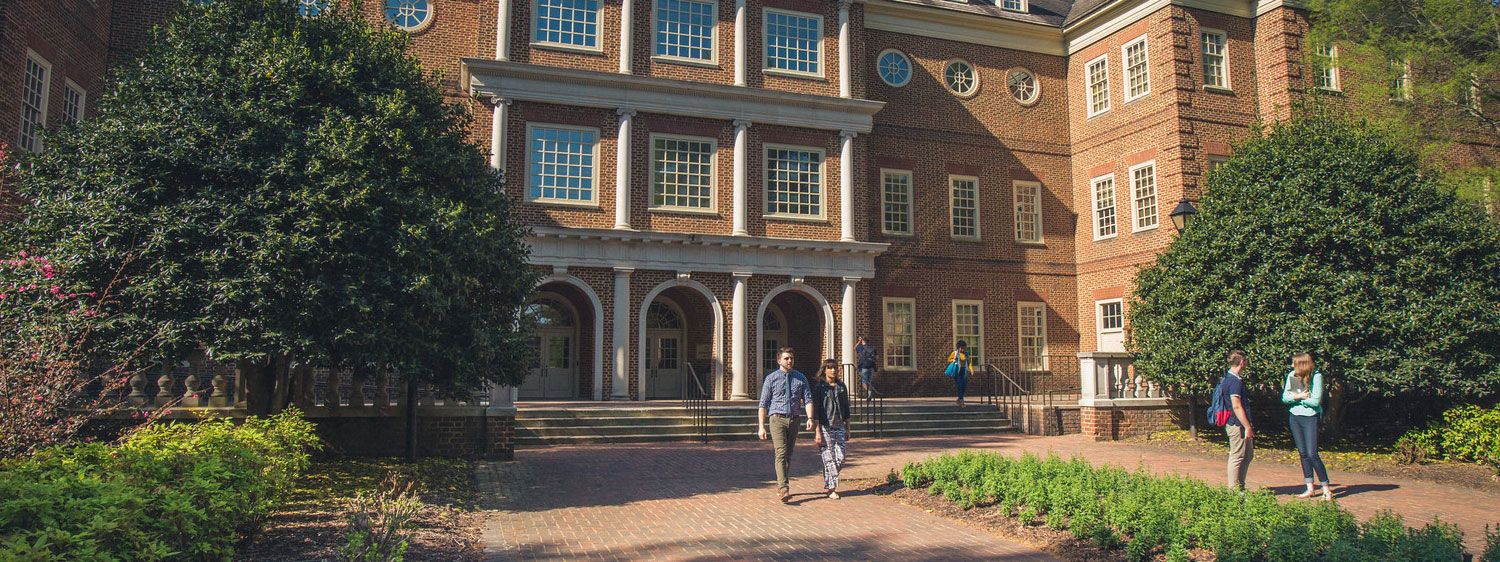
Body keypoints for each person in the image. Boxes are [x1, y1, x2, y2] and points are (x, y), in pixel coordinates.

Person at [757, 347, 814, 502]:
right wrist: (761, 426)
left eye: (791, 359)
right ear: (779, 361)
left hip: (794, 419)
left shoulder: (800, 378)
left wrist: (810, 417)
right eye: (786, 358)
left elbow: (808, 399)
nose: (790, 361)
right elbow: (763, 403)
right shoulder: (771, 379)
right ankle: (784, 488)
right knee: (781, 453)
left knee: (788, 454)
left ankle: (780, 482)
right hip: (777, 419)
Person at [1282, 352, 1332, 500]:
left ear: (1302, 364)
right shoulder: (1292, 376)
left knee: (1312, 454)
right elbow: (1285, 398)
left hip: (1310, 417)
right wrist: (1300, 397)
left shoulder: (1316, 377)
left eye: (1294, 363)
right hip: (1295, 417)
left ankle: (1326, 488)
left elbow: (1315, 401)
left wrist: (1300, 399)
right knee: (1303, 453)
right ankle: (1309, 487)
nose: (1292, 366)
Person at [812, 359, 852, 499]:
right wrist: (817, 431)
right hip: (825, 425)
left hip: (839, 424)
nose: (833, 370)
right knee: (829, 457)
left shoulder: (842, 386)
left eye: (834, 368)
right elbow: (816, 409)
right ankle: (831, 488)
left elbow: (846, 408)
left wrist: (848, 428)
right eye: (829, 368)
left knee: (840, 457)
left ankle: (830, 481)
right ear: (824, 370)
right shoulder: (819, 387)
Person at [1221, 350, 1254, 491]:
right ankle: (1234, 490)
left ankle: (1240, 487)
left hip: (1238, 423)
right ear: (1242, 362)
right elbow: (1236, 405)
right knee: (1237, 456)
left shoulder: (1229, 379)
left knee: (1247, 455)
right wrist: (1247, 426)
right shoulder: (1234, 382)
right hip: (1237, 424)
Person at [947, 340, 971, 408]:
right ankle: (961, 401)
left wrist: (971, 370)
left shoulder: (966, 354)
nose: (962, 349)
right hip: (957, 370)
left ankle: (959, 398)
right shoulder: (955, 353)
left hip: (964, 371)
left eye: (963, 348)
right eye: (961, 348)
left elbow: (969, 362)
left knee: (964, 386)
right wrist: (953, 359)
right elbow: (949, 359)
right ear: (958, 347)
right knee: (959, 385)